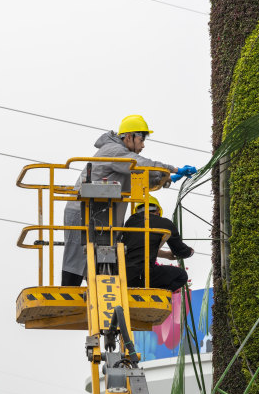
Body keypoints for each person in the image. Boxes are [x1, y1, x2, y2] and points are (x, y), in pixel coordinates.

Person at [61, 114, 196, 286]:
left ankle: (83, 291)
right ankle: (69, 290)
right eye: (141, 139)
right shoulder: (114, 151)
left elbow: (140, 177)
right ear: (129, 136)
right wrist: (173, 169)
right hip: (82, 210)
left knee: (99, 258)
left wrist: (167, 179)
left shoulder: (122, 157)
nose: (143, 145)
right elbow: (141, 164)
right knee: (77, 258)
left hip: (99, 213)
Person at [121, 195, 194, 292]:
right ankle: (154, 295)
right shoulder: (164, 223)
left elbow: (139, 247)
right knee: (181, 276)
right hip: (144, 275)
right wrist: (190, 252)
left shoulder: (129, 223)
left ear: (137, 210)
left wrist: (166, 255)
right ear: (158, 211)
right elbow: (180, 251)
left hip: (125, 275)